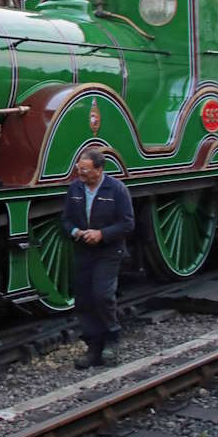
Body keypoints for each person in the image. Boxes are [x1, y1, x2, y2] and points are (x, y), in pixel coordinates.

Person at [61, 147, 135, 369]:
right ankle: (93, 346)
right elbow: (65, 220)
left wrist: (102, 234)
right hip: (83, 249)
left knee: (102, 294)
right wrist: (76, 232)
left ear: (99, 169)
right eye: (79, 169)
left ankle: (112, 339)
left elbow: (128, 223)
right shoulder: (74, 189)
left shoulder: (117, 189)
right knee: (83, 298)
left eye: (85, 170)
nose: (80, 174)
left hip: (109, 250)